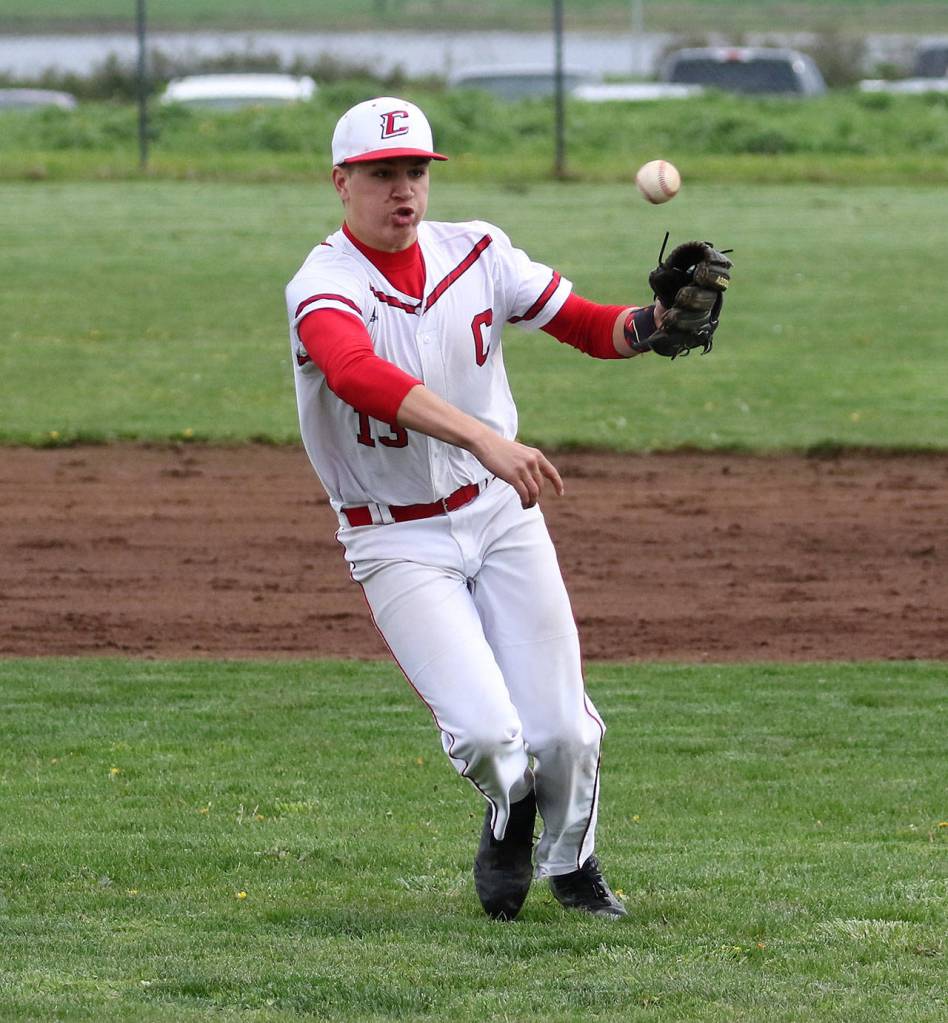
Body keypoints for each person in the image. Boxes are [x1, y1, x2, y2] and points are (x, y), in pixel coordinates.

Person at [284, 97, 685, 921]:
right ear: (341, 182)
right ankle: (509, 813)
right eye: (382, 174)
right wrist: (485, 439)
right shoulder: (321, 285)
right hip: (396, 537)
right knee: (489, 738)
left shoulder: (476, 250)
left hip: (500, 514)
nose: (404, 191)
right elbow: (356, 373)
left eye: (416, 173)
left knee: (566, 733)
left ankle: (573, 865)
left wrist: (654, 324)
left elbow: (583, 323)